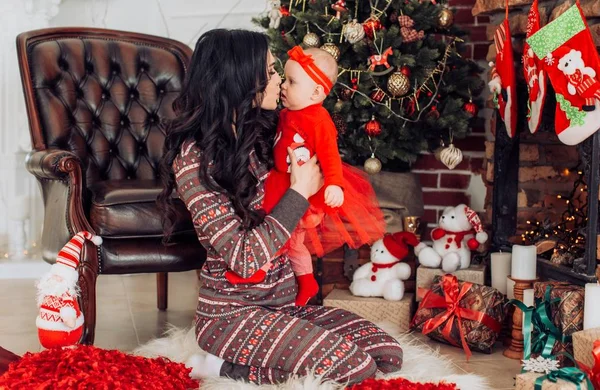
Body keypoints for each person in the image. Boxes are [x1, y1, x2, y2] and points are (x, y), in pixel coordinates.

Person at [158, 29, 403, 385]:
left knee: (386, 352)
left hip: (281, 306)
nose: (279, 82)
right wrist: (300, 193)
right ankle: (221, 366)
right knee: (356, 368)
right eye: (272, 72)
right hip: (231, 315)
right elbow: (243, 257)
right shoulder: (195, 159)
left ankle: (273, 352)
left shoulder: (264, 132)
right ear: (242, 79)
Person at [224, 46, 385, 306]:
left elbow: (330, 155)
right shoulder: (285, 114)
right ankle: (306, 279)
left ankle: (258, 267)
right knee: (294, 241)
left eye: (291, 82)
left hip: (298, 184)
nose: (283, 86)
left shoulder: (319, 119)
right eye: (283, 78)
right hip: (282, 177)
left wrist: (334, 183)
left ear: (317, 92)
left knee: (270, 221)